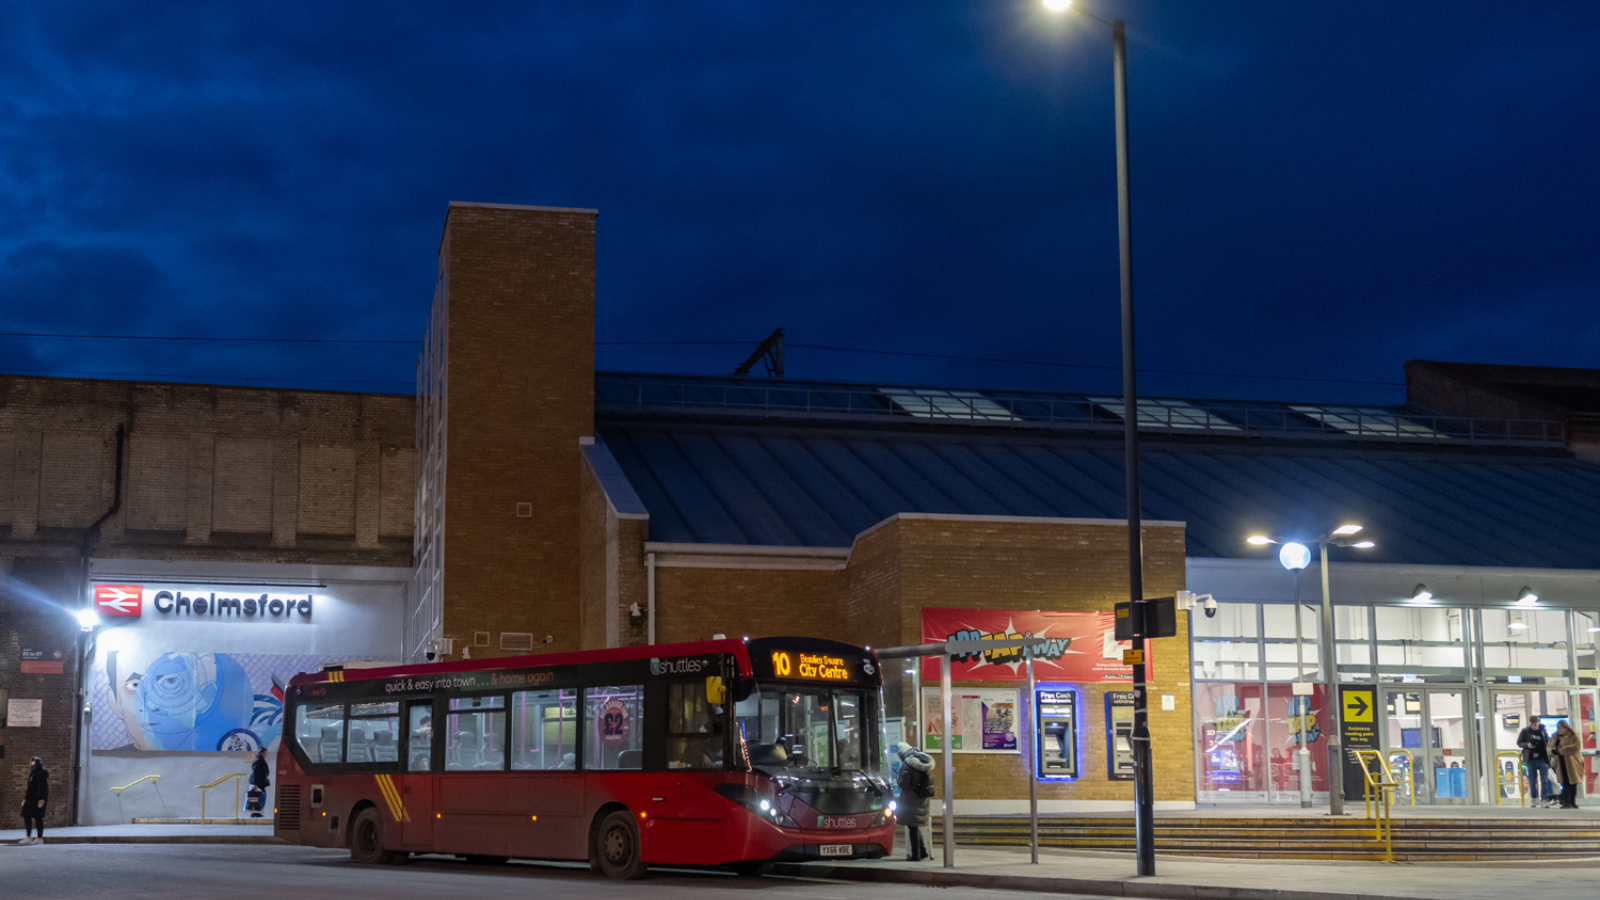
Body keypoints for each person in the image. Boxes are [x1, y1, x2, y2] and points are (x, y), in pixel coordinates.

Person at [895, 741, 935, 862]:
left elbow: (904, 783)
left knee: (912, 826)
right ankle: (922, 851)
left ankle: (915, 855)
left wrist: (898, 778)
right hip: (922, 797)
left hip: (911, 799)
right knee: (915, 825)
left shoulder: (907, 764)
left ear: (901, 753)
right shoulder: (921, 760)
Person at [1518, 715, 1556, 807]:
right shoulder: (1525, 731)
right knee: (1532, 781)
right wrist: (1527, 744)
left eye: (1535, 724)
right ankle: (1534, 799)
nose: (1534, 726)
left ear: (1538, 723)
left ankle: (1544, 799)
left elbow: (1547, 741)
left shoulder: (1542, 731)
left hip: (1543, 759)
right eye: (1532, 724)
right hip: (1531, 759)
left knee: (1544, 780)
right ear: (1530, 723)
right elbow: (1519, 742)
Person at [1551, 720, 1583, 809]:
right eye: (1557, 728)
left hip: (1572, 763)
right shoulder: (1555, 737)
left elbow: (1577, 746)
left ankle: (1572, 802)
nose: (1559, 730)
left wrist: (1561, 750)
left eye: (1560, 728)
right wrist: (1553, 752)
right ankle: (1566, 802)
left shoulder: (1572, 736)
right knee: (1564, 783)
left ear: (1565, 728)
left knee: (1573, 783)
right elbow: (1550, 747)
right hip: (1561, 763)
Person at [20, 757, 48, 845]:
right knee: (27, 815)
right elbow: (30, 788)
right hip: (30, 799)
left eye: (33, 761)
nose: (31, 763)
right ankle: (29, 837)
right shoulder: (33, 772)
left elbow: (43, 787)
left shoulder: (40, 772)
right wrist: (25, 799)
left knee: (38, 817)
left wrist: (41, 799)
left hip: (36, 799)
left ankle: (39, 838)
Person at [248, 748, 271, 817]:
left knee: (257, 796)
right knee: (258, 796)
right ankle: (256, 812)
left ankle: (256, 811)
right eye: (265, 753)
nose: (266, 755)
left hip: (259, 782)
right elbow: (256, 773)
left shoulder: (259, 760)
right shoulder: (259, 761)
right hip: (257, 782)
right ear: (262, 753)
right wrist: (255, 784)